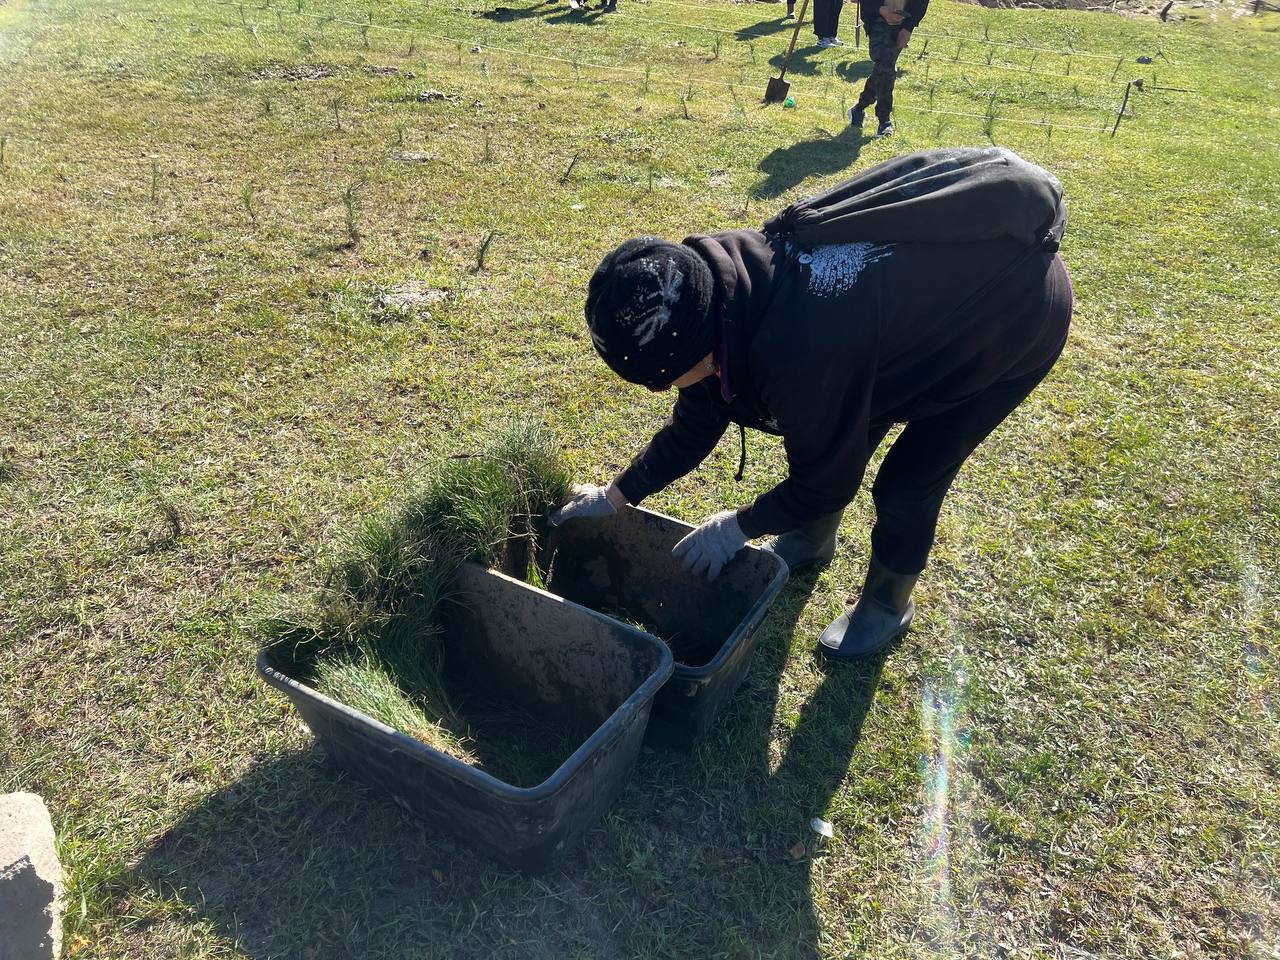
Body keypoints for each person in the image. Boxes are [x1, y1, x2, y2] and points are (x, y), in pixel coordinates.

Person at [550, 149, 1072, 661]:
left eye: (661, 381)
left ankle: (886, 605)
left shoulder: (800, 351)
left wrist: (738, 526)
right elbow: (698, 420)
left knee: (908, 482)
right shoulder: (711, 295)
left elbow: (826, 480)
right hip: (886, 323)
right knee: (846, 426)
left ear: (695, 349)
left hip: (1011, 315)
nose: (665, 391)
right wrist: (618, 494)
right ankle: (812, 538)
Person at [849, 0, 930, 136]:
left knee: (883, 69)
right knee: (886, 66)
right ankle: (884, 120)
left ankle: (859, 108)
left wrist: (908, 28)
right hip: (877, 19)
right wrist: (880, 9)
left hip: (904, 19)